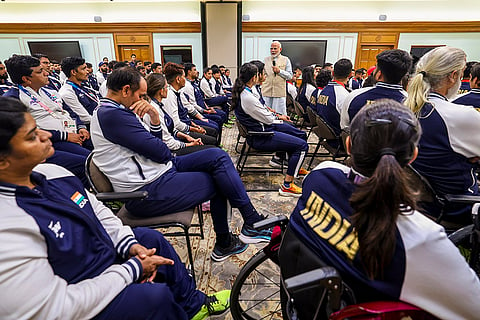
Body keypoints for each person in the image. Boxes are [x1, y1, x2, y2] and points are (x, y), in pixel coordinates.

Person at [0, 96, 230, 320]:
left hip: (101, 254)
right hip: (80, 290)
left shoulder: (53, 173)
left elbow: (98, 211)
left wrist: (129, 245)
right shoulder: (8, 224)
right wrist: (131, 269)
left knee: (151, 240)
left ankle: (193, 305)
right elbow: (53, 309)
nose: (46, 134)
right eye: (32, 137)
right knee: (154, 298)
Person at [283, 99, 480, 320]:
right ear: (413, 156)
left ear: (349, 144)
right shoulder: (420, 238)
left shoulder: (320, 175)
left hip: (302, 306)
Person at [90, 67, 272, 262]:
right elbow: (160, 151)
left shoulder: (118, 110)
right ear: (126, 90)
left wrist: (154, 118)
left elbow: (157, 146)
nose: (145, 100)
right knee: (220, 181)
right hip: (146, 191)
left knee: (217, 156)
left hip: (159, 171)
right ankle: (229, 238)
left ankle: (249, 222)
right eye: (141, 95)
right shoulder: (113, 115)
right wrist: (155, 120)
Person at [405, 46, 480, 224]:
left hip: (410, 201)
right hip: (455, 207)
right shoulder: (461, 115)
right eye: (462, 75)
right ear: (453, 76)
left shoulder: (400, 109)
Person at [3, 54, 91, 187]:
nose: (46, 72)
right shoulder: (13, 98)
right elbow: (26, 132)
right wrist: (66, 136)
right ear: (26, 79)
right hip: (51, 142)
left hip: (74, 134)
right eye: (40, 71)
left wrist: (81, 127)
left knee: (102, 154)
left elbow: (69, 111)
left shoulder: (49, 91)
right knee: (88, 163)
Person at [233, 62, 309, 197]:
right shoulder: (248, 97)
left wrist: (273, 116)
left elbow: (265, 114)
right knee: (302, 146)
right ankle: (287, 185)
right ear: (254, 78)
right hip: (262, 136)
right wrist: (276, 117)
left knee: (298, 135)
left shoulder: (246, 92)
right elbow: (267, 119)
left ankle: (293, 165)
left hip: (262, 131)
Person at [340, 49, 412, 129]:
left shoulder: (354, 96)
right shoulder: (411, 102)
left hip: (356, 141)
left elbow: (345, 128)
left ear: (379, 74)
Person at [145, 73, 214, 155]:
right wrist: (189, 144)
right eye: (167, 87)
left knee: (213, 137)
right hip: (170, 151)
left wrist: (187, 137)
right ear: (161, 91)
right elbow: (168, 141)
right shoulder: (153, 110)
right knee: (213, 150)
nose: (168, 89)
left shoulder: (159, 105)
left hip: (176, 138)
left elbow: (169, 128)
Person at [162, 62, 219, 146]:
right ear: (178, 79)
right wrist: (193, 129)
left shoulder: (178, 92)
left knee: (213, 130)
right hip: (180, 131)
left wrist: (194, 125)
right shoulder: (170, 96)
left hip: (187, 123)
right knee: (212, 139)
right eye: (183, 76)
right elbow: (176, 124)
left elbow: (186, 111)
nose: (185, 79)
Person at [59, 56, 101, 126]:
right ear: (73, 72)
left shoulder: (83, 86)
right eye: (84, 69)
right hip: (92, 127)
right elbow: (84, 118)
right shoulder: (67, 92)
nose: (87, 72)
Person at [315, 58, 352, 137]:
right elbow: (347, 123)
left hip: (326, 133)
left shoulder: (324, 90)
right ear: (350, 75)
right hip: (338, 138)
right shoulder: (344, 95)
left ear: (333, 73)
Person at [262, 41, 293, 115]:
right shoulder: (266, 60)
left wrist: (279, 71)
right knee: (266, 114)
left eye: (275, 48)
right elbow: (263, 74)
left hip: (279, 92)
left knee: (279, 115)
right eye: (271, 49)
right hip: (266, 91)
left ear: (280, 49)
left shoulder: (286, 60)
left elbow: (290, 76)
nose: (273, 50)